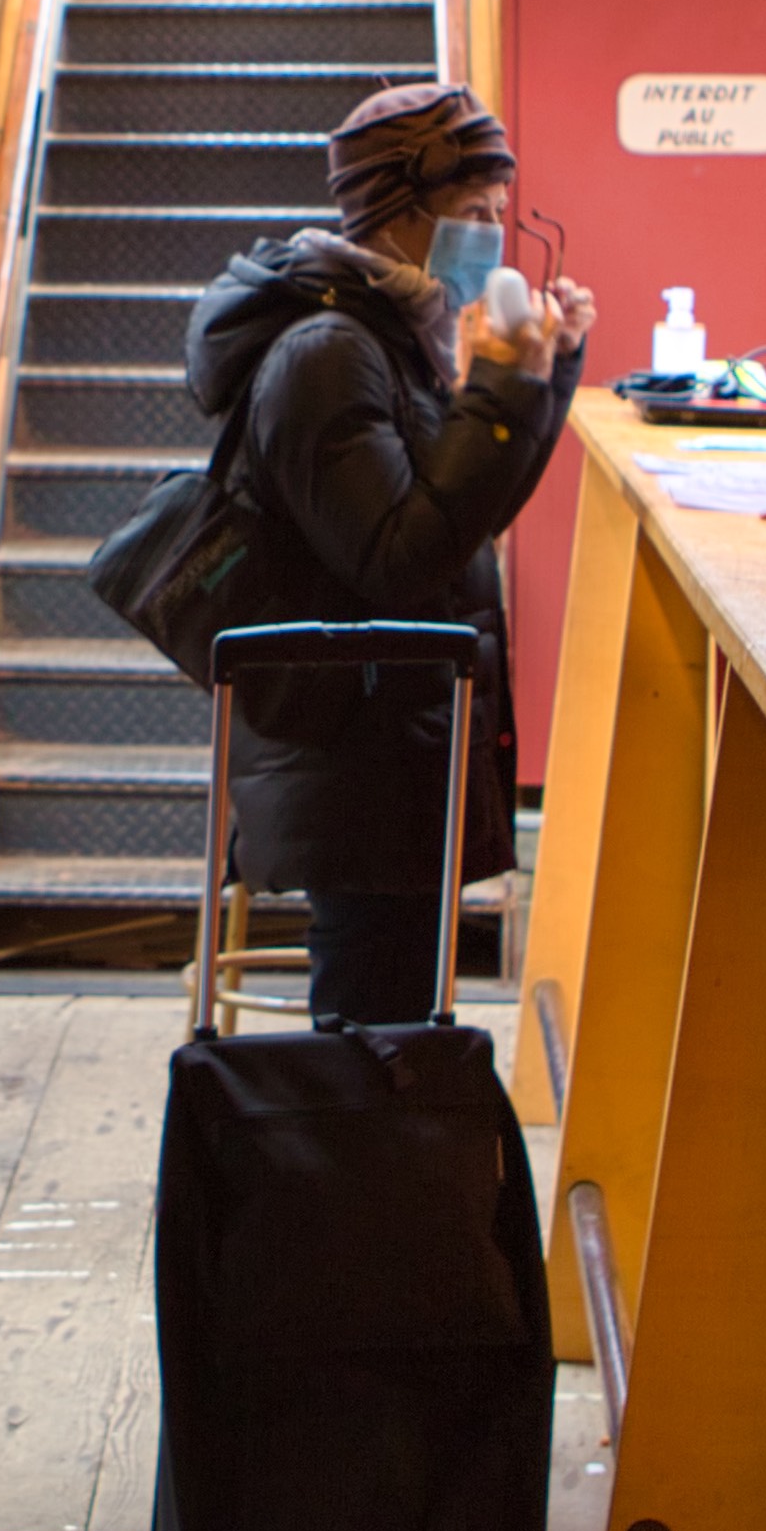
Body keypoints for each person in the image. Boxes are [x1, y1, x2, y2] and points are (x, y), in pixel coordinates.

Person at [180, 82, 597, 1025]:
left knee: (394, 1028)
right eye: (473, 215)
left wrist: (544, 377)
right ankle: (344, 1174)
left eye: (501, 214)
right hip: (355, 769)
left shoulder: (395, 333)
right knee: (372, 1046)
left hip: (396, 748)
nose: (493, 240)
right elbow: (401, 564)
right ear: (398, 216)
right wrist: (498, 382)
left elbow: (463, 523)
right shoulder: (329, 352)